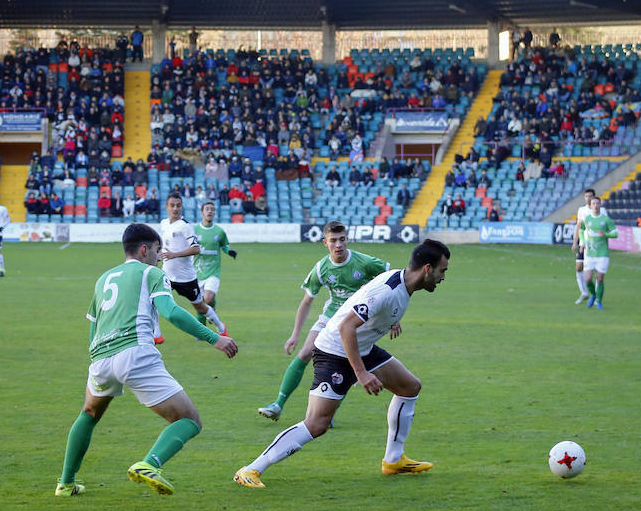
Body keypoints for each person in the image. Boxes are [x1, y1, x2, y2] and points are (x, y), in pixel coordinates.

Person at [236, 239, 451, 489]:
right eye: (442, 270)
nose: (443, 277)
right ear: (427, 268)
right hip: (334, 351)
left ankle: (394, 460)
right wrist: (360, 373)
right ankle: (250, 469)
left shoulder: (402, 286)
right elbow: (346, 326)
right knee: (317, 424)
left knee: (409, 387)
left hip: (362, 348)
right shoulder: (388, 289)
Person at [55, 223, 238, 497]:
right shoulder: (151, 273)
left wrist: (96, 359)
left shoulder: (103, 278)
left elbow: (94, 325)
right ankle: (149, 464)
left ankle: (66, 484)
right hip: (136, 354)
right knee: (189, 421)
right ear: (144, 249)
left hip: (101, 357)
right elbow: (171, 312)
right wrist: (215, 338)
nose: (159, 255)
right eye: (156, 250)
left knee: (89, 414)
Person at [258, 220, 392, 421]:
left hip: (357, 321)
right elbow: (306, 302)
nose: (338, 245)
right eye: (333, 241)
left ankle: (327, 415)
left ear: (347, 240)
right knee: (305, 353)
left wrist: (391, 316)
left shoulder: (364, 263)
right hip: (330, 316)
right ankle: (278, 404)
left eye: (341, 240)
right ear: (325, 243)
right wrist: (295, 334)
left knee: (346, 366)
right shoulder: (321, 268)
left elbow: (391, 281)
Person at [159, 193, 229, 335]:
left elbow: (196, 249)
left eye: (178, 205)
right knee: (154, 301)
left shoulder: (185, 226)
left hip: (186, 278)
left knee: (201, 308)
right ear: (166, 207)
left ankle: (221, 327)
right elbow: (164, 245)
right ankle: (156, 335)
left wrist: (174, 255)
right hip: (167, 274)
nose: (175, 208)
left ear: (182, 207)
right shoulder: (164, 223)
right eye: (172, 205)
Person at [193, 201, 237, 326]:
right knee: (199, 302)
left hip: (213, 271)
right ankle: (201, 329)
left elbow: (225, 245)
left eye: (212, 209)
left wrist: (229, 251)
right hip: (197, 271)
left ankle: (212, 306)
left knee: (207, 298)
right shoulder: (194, 230)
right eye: (207, 209)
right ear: (202, 212)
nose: (210, 211)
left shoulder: (219, 231)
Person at [581, 197, 617, 310]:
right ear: (590, 206)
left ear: (600, 205)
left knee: (600, 279)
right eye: (593, 203)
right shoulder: (587, 219)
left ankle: (599, 301)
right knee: (587, 279)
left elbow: (615, 234)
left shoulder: (606, 219)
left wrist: (606, 235)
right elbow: (581, 230)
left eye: (597, 203)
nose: (595, 205)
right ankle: (593, 294)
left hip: (602, 254)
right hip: (590, 254)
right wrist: (583, 242)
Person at [571, 188, 605, 305]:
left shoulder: (601, 211)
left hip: (596, 245)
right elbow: (579, 226)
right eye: (586, 196)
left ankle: (596, 296)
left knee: (595, 271)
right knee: (578, 267)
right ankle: (584, 293)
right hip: (583, 244)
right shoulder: (582, 210)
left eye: (590, 196)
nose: (588, 198)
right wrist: (575, 242)